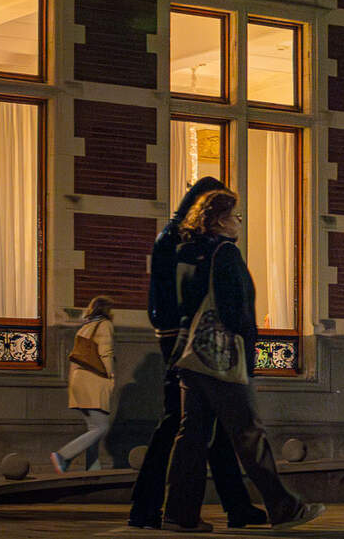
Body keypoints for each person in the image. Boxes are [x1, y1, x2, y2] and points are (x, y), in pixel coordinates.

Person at [161, 189, 324, 531]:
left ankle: (178, 513)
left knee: (191, 435)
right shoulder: (226, 253)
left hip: (191, 357)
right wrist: (248, 353)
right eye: (236, 216)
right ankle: (283, 506)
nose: (239, 223)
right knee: (249, 433)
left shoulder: (187, 253)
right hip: (220, 359)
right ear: (220, 220)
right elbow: (237, 311)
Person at [130, 177, 260, 531]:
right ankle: (148, 506)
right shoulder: (188, 243)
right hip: (187, 344)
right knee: (183, 423)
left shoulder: (184, 239)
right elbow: (186, 297)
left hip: (180, 340)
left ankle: (235, 505)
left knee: (203, 425)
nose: (238, 220)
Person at [53, 295, 117, 473]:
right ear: (106, 310)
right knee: (102, 427)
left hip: (78, 380)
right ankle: (64, 455)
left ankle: (92, 468)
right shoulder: (105, 325)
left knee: (92, 427)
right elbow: (106, 353)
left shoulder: (85, 328)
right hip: (94, 380)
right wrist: (111, 377)